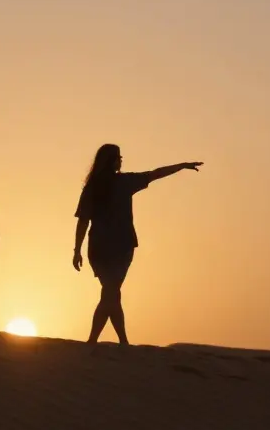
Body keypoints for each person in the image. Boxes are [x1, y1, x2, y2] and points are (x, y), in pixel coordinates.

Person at [73, 144, 201, 345]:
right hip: (117, 247)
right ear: (112, 160)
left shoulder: (95, 187)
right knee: (111, 292)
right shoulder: (120, 183)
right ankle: (95, 341)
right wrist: (182, 165)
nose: (121, 161)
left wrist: (77, 250)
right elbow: (155, 174)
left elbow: (83, 222)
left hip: (102, 248)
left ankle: (120, 341)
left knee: (111, 292)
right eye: (119, 157)